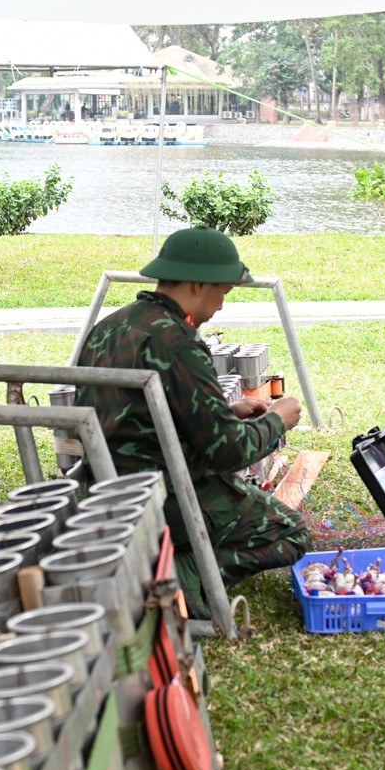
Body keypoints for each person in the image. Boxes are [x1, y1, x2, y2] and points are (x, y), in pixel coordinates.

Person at [76, 226, 310, 598]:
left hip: (101, 488)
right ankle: (173, 585)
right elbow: (228, 452)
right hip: (162, 494)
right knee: (289, 532)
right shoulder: (177, 342)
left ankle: (160, 562)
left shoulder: (110, 327)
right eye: (222, 291)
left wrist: (226, 411)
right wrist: (277, 419)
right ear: (199, 285)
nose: (221, 304)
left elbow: (133, 417)